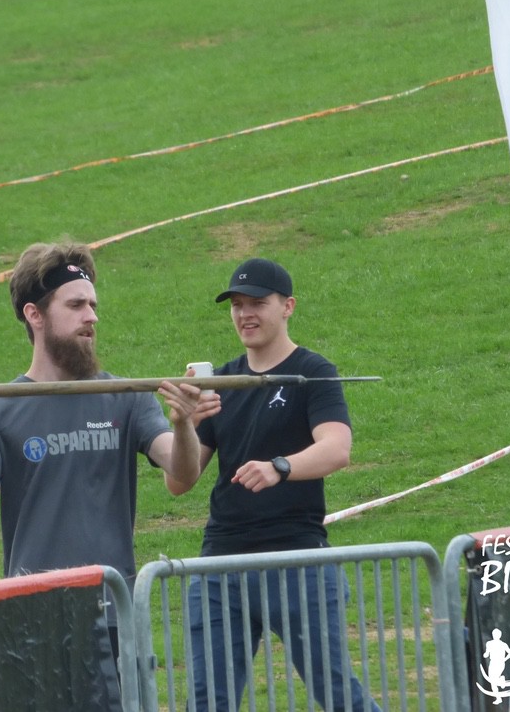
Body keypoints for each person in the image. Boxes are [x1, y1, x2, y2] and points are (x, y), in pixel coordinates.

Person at [0, 241, 203, 658]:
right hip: (32, 618)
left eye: (93, 305)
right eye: (77, 305)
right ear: (35, 314)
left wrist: (183, 423)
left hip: (112, 616)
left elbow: (183, 471)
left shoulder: (126, 397)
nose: (92, 317)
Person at [166, 257, 381, 712]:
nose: (245, 314)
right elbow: (179, 481)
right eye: (237, 304)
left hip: (297, 560)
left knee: (336, 692)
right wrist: (183, 423)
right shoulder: (220, 381)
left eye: (257, 303)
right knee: (206, 701)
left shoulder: (313, 370)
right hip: (220, 566)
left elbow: (337, 447)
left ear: (288, 306)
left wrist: (279, 467)